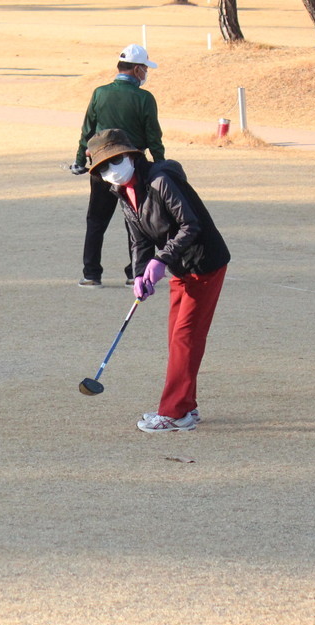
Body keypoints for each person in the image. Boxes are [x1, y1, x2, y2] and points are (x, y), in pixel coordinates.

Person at [85, 128, 230, 433]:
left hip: (204, 264)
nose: (112, 170)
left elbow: (191, 225)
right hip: (180, 267)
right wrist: (139, 273)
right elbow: (138, 237)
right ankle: (186, 407)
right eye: (103, 168)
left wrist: (161, 259)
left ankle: (174, 413)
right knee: (177, 338)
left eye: (116, 160)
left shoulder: (162, 180)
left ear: (131, 156)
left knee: (184, 338)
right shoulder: (122, 191)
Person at [70, 44, 164, 289]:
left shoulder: (100, 93)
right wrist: (162, 166)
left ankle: (91, 274)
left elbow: (87, 131)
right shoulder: (145, 98)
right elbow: (153, 137)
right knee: (138, 221)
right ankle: (136, 272)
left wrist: (80, 160)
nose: (145, 72)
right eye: (144, 68)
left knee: (96, 221)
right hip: (135, 167)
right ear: (136, 69)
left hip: (101, 165)